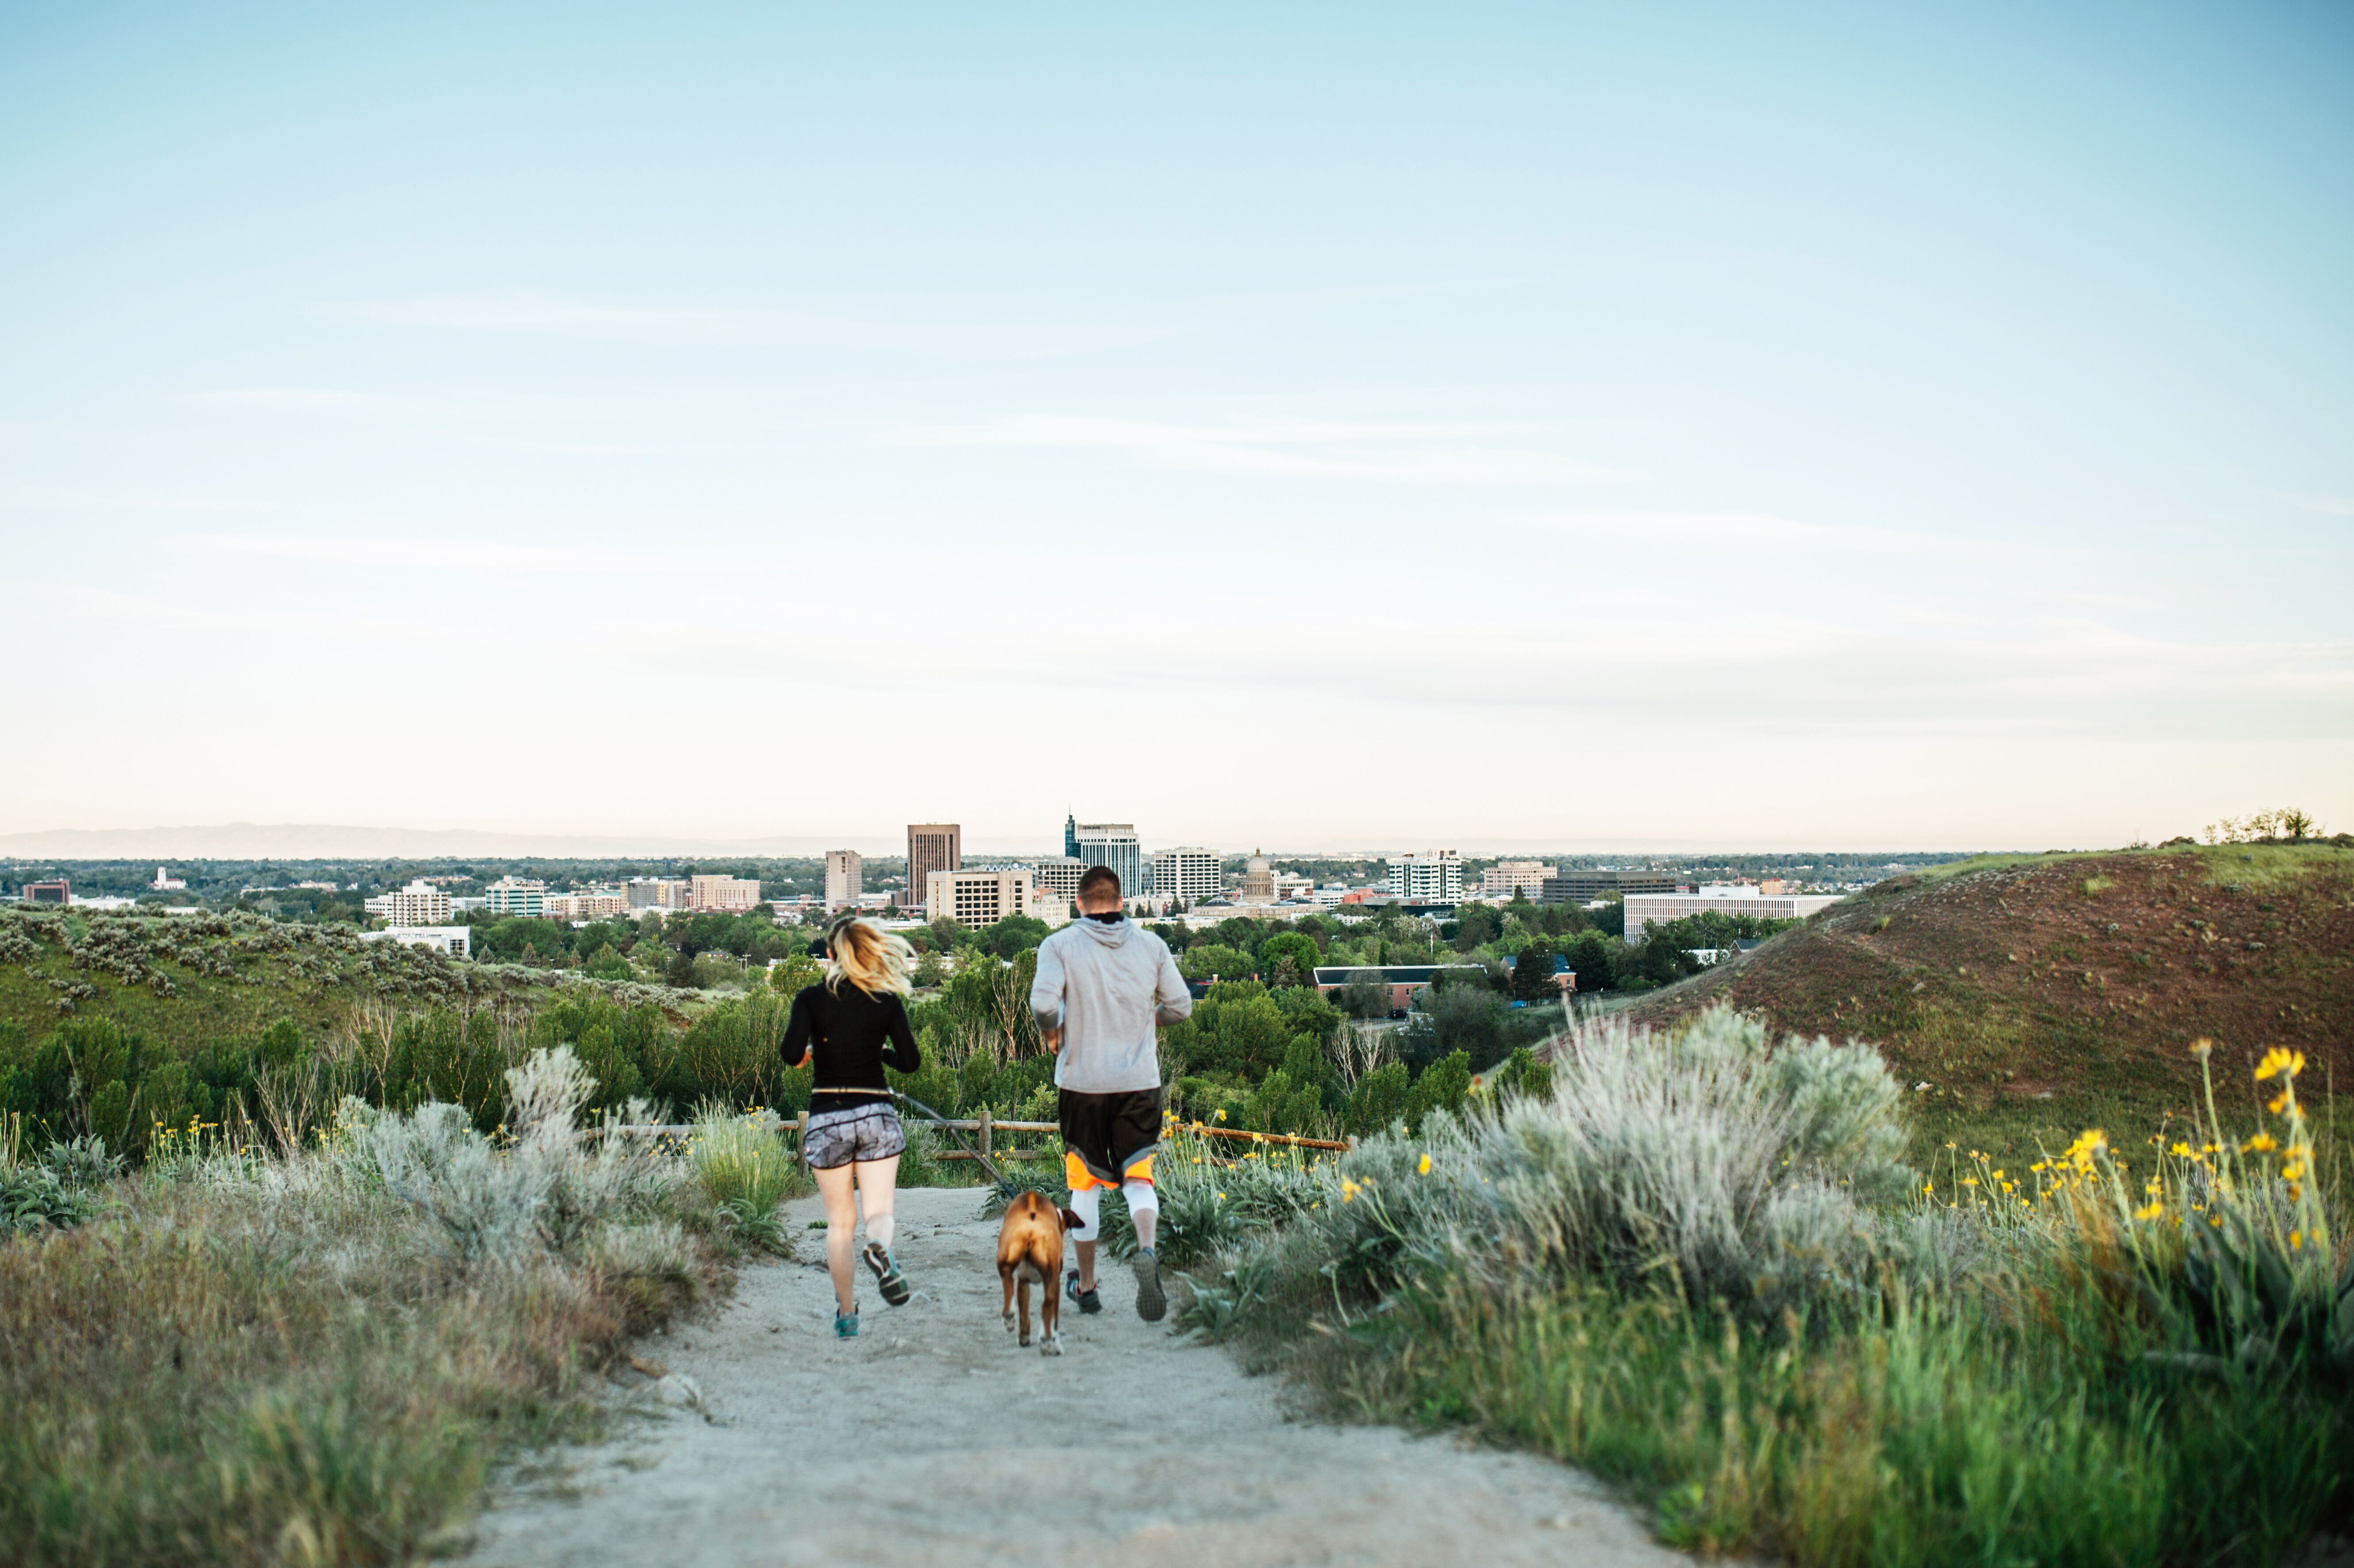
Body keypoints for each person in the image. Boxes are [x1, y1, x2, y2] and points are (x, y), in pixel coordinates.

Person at [1029, 865, 1192, 1320]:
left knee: (1086, 1187)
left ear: (1079, 904)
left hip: (1082, 1084)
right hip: (1140, 1084)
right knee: (1139, 1179)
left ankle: (1086, 1285)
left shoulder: (1058, 945)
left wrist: (1053, 1030)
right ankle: (1147, 1250)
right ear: (1121, 902)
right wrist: (1151, 1019)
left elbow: (1043, 1004)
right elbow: (1181, 1006)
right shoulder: (1152, 946)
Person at [782, 915, 921, 1338]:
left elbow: (790, 1054)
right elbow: (911, 1063)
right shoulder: (887, 1001)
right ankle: (879, 1246)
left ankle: (846, 1316)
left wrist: (809, 1051)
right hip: (876, 1113)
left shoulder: (809, 999)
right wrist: (881, 1054)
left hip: (827, 1117)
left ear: (830, 954)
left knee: (840, 1224)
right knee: (878, 1212)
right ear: (870, 951)